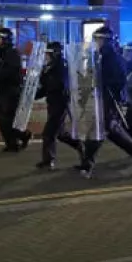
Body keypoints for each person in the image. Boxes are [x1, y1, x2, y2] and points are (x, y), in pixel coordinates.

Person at [79, 26, 132, 177]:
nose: (95, 42)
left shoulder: (114, 58)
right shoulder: (98, 56)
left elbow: (120, 80)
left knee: (98, 131)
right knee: (108, 131)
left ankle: (87, 165)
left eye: (98, 39)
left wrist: (104, 83)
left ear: (105, 40)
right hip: (99, 98)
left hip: (108, 99)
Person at [33, 42, 83, 170]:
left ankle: (48, 160)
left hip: (60, 103)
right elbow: (45, 88)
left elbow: (60, 85)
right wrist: (33, 95)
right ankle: (81, 146)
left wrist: (46, 80)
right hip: (52, 102)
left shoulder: (62, 66)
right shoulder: (49, 67)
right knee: (60, 134)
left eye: (48, 54)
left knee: (48, 133)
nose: (46, 57)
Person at [0, 27, 28, 152]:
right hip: (0, 90)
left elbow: (9, 72)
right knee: (2, 120)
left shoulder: (12, 53)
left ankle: (18, 139)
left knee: (7, 119)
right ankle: (13, 141)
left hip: (11, 91)